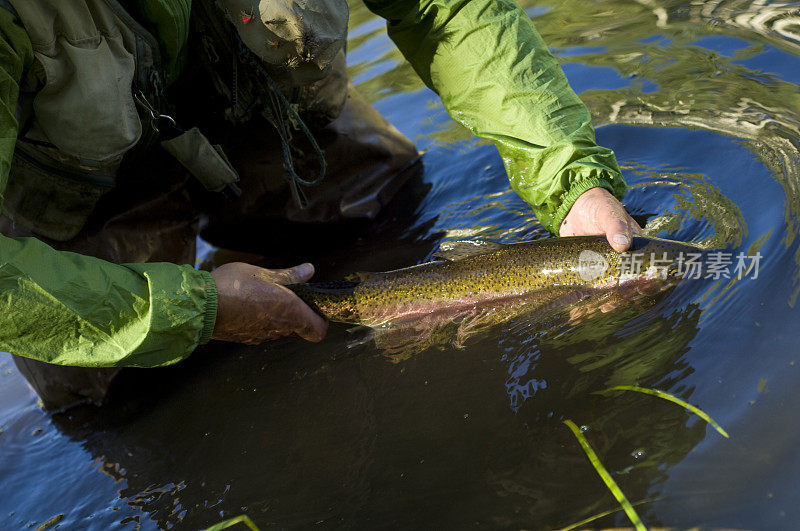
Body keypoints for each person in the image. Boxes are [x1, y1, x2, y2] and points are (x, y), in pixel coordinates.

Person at [0, 0, 641, 409]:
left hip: (270, 111)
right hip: (72, 192)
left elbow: (448, 9)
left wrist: (571, 179)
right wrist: (189, 310)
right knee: (124, 399)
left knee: (386, 216)